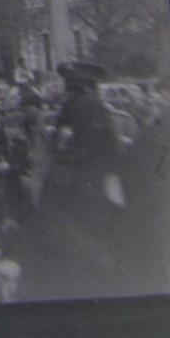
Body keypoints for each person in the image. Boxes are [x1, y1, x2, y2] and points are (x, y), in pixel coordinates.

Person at [19, 61, 127, 300]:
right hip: (91, 182)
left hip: (71, 183)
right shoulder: (96, 105)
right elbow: (111, 148)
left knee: (68, 237)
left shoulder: (75, 104)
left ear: (74, 85)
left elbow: (64, 144)